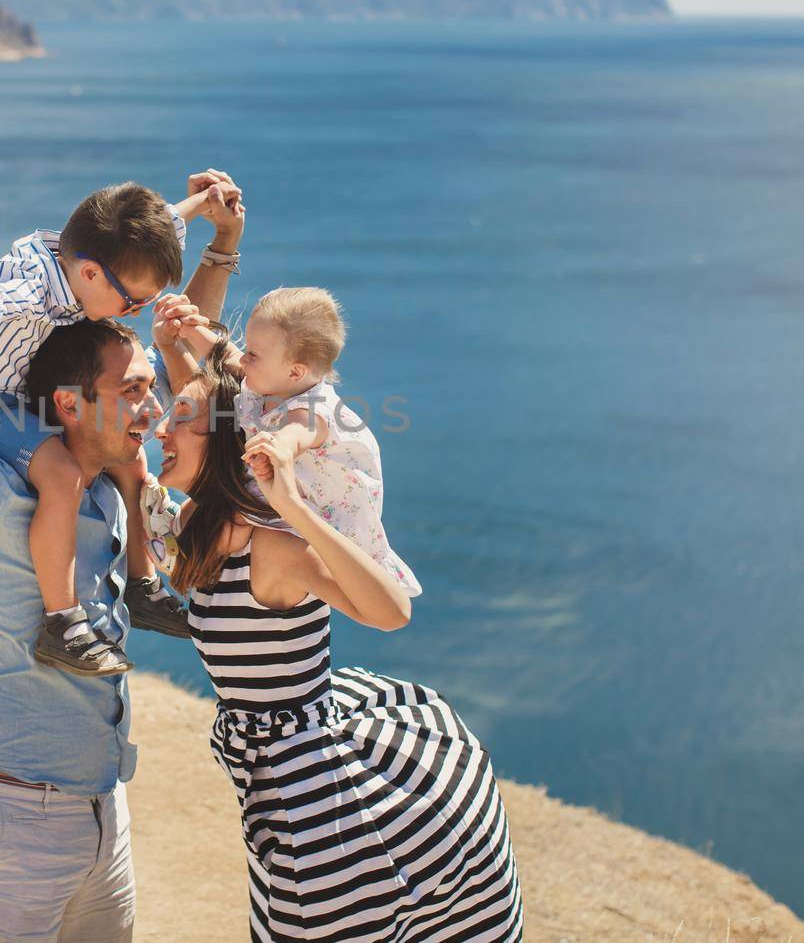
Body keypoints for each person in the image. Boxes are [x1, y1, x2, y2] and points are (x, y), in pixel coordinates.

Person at [0, 198, 244, 941]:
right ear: (69, 401)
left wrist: (221, 241)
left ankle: (141, 587)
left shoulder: (118, 481)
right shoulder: (4, 485)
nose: (154, 409)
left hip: (104, 810)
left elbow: (187, 361)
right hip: (10, 815)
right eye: (133, 393)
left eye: (149, 392)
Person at [147, 339, 524, 942]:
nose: (162, 427)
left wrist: (295, 507)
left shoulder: (271, 548)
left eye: (183, 419)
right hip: (272, 764)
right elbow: (197, 398)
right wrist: (176, 339)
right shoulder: (195, 525)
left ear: (224, 442)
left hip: (319, 778)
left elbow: (392, 612)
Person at [0, 173, 242, 676]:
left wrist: (207, 206)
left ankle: (143, 586)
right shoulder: (36, 286)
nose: (138, 311)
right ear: (92, 276)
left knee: (131, 454)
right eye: (132, 303)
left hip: (30, 389)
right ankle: (61, 622)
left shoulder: (98, 249)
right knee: (60, 473)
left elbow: (166, 216)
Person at [155, 286, 419, 597]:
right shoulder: (271, 380)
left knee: (229, 525)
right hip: (285, 494)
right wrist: (191, 329)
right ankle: (173, 542)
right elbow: (224, 354)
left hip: (318, 515)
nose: (245, 359)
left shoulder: (312, 410)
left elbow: (296, 434)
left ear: (295, 371)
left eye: (253, 354)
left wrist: (279, 445)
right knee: (215, 511)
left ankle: (172, 558)